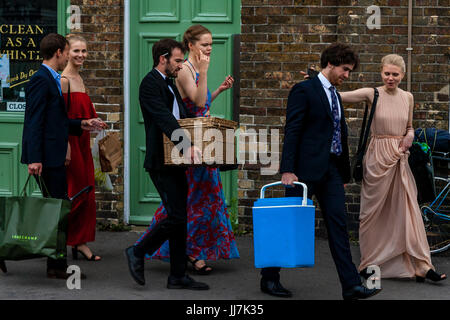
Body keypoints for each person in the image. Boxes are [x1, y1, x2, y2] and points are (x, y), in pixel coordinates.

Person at [262, 43, 382, 300]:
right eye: (345, 69)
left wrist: (342, 175)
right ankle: (269, 278)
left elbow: (338, 133)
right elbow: (292, 130)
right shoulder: (304, 90)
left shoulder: (335, 95)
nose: (347, 75)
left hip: (331, 172)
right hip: (302, 172)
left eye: (349, 71)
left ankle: (350, 286)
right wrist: (287, 170)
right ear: (331, 63)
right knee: (289, 224)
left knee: (339, 226)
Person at [135, 24, 239, 275]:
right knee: (183, 210)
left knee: (187, 209)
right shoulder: (170, 77)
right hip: (181, 149)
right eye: (204, 44)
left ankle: (179, 271)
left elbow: (191, 108)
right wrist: (187, 146)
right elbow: (178, 113)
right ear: (190, 46)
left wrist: (218, 90)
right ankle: (144, 251)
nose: (209, 49)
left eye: (211, 45)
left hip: (194, 143)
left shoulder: (170, 79)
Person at [338, 54, 447, 283]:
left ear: (403, 75)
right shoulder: (372, 93)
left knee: (408, 212)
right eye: (387, 73)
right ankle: (369, 264)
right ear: (381, 72)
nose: (390, 78)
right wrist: (317, 80)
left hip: (400, 158)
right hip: (377, 158)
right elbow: (340, 97)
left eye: (395, 74)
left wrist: (409, 135)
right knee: (371, 214)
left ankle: (422, 266)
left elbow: (409, 126)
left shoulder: (408, 97)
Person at [124, 38, 209, 290]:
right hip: (160, 162)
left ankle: (178, 275)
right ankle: (138, 250)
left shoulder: (170, 85)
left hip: (176, 161)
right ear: (163, 59)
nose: (181, 65)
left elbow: (183, 117)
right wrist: (186, 145)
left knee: (180, 218)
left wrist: (205, 132)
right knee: (175, 216)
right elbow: (164, 119)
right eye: (177, 60)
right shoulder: (149, 84)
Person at [20, 33, 105, 279]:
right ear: (59, 52)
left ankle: (55, 265)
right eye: (68, 52)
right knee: (56, 212)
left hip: (51, 156)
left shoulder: (51, 79)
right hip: (46, 158)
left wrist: (82, 124)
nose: (69, 56)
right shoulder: (41, 80)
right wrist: (35, 158)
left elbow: (55, 121)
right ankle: (55, 266)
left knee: (56, 211)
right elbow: (33, 122)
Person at [61, 34, 106, 262]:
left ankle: (80, 242)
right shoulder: (64, 80)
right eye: (76, 51)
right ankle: (65, 240)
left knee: (87, 192)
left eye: (84, 51)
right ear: (66, 52)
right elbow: (62, 119)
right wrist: (67, 147)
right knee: (75, 194)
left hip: (83, 143)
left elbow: (83, 115)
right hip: (70, 145)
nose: (81, 55)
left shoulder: (79, 78)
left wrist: (95, 122)